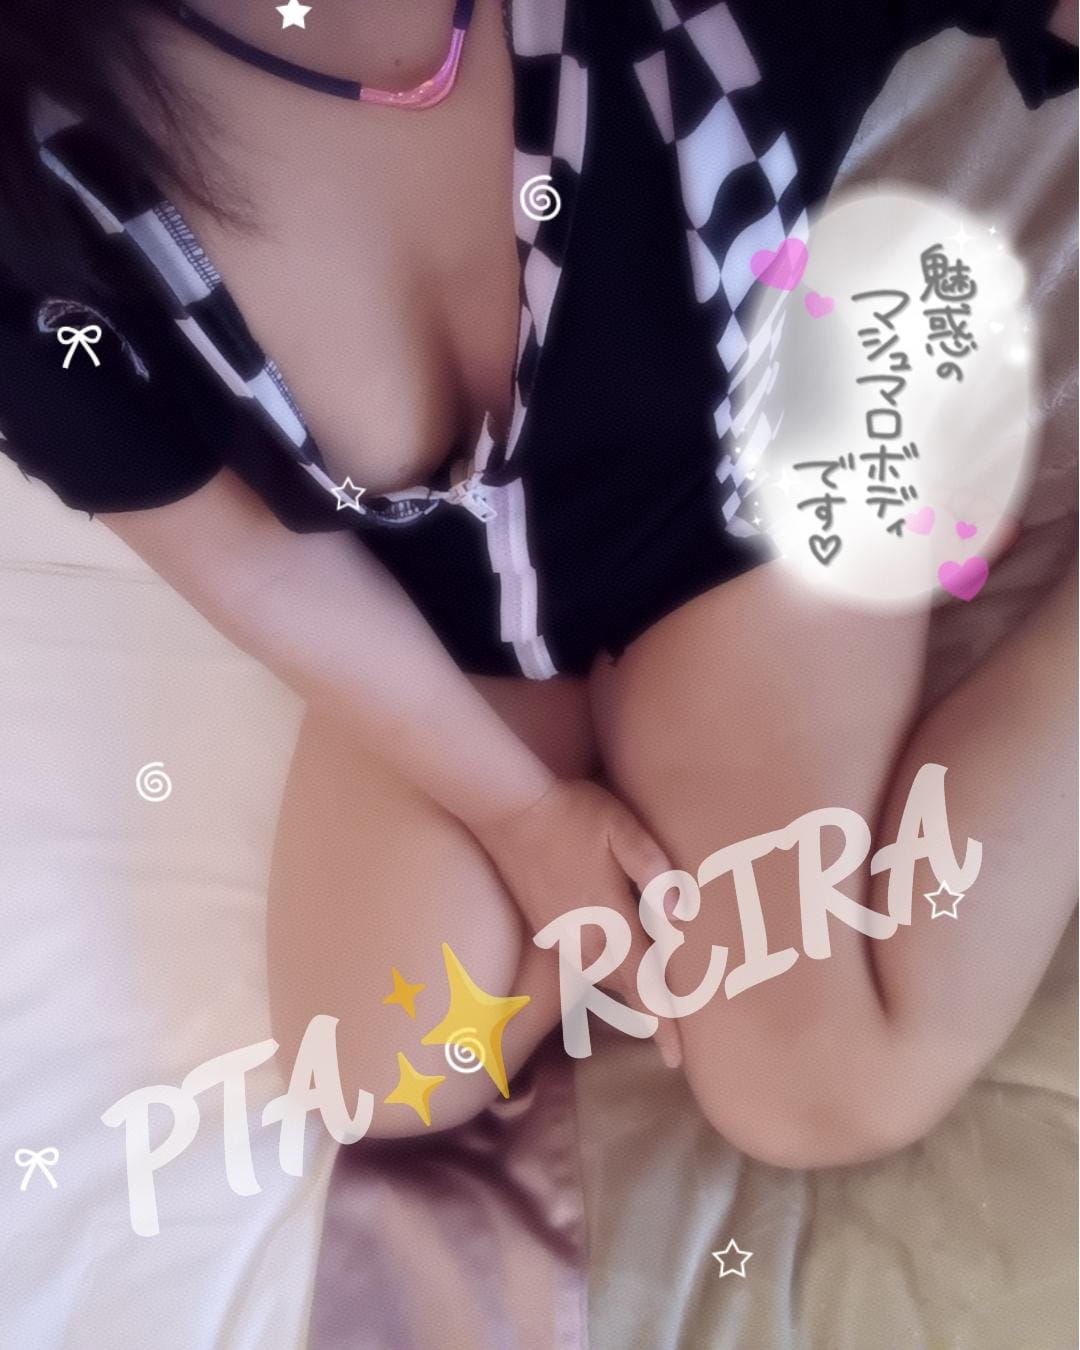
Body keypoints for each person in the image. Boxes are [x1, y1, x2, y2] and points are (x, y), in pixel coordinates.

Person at [0, 0, 1076, 1162]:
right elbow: (253, 560)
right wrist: (525, 817)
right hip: (437, 627)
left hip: (737, 539)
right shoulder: (32, 171)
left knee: (818, 1089)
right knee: (381, 1078)